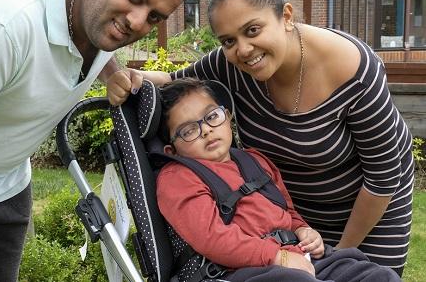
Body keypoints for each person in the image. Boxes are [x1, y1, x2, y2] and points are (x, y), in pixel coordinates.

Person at [107, 0, 414, 276]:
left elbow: (382, 179)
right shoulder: (230, 64)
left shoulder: (354, 71)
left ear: (286, 16)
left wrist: (333, 258)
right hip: (283, 214)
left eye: (253, 30)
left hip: (369, 205)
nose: (243, 49)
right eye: (228, 40)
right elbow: (176, 82)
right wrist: (131, 79)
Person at [0, 0, 187, 282]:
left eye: (154, 17)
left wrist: (111, 72)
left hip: (8, 185)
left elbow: (101, 40)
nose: (138, 22)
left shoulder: (94, 7)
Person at [156, 77, 401, 282]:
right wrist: (278, 257)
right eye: (188, 131)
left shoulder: (254, 161)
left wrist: (303, 230)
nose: (206, 130)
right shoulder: (178, 178)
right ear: (172, 150)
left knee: (376, 275)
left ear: (227, 117)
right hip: (240, 270)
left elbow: (287, 212)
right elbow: (212, 238)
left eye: (212, 116)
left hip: (297, 255)